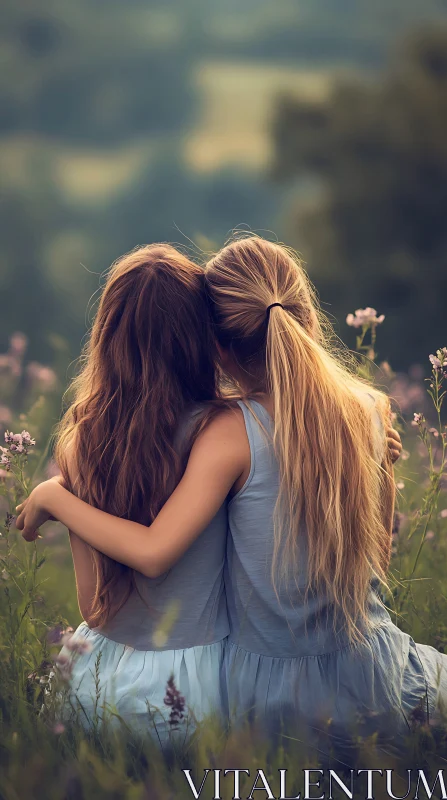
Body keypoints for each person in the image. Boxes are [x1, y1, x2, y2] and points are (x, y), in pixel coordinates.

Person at [16, 236, 413, 756]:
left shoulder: (215, 433)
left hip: (212, 692)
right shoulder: (368, 411)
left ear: (218, 344)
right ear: (307, 318)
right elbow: (376, 563)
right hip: (364, 675)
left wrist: (56, 498)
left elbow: (114, 594)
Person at [21, 243, 230, 745]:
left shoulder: (84, 441)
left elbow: (95, 610)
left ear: (106, 337)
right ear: (200, 337)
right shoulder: (223, 430)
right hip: (198, 688)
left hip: (100, 684)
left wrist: (55, 497)